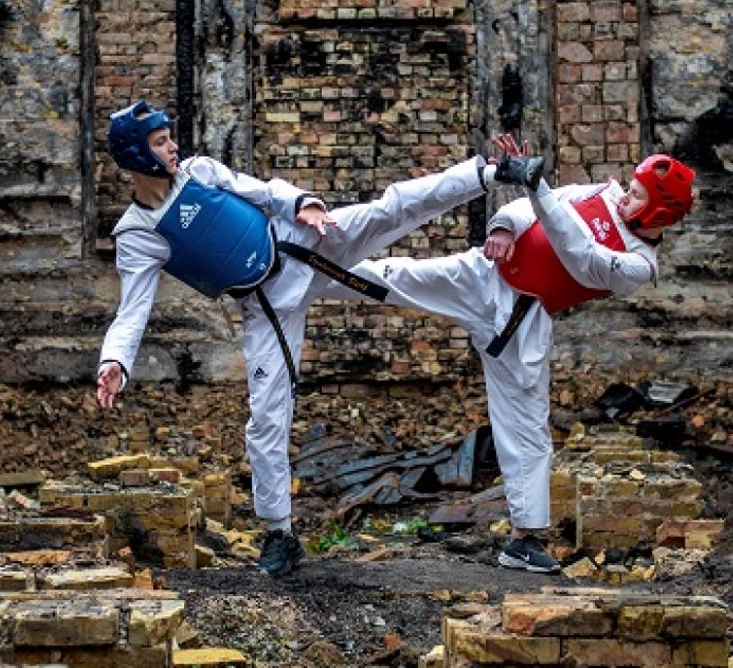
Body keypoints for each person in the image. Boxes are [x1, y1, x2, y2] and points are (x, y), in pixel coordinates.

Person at [94, 101, 541, 576]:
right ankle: (279, 535)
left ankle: (491, 173)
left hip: (303, 241)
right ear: (136, 154)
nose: (172, 146)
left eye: (169, 137)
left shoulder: (199, 172)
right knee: (266, 418)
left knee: (390, 209)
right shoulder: (137, 233)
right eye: (160, 142)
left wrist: (303, 204)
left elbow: (265, 191)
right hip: (268, 304)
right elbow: (133, 308)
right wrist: (115, 361)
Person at [345, 135, 696, 573]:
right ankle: (304, 266)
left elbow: (578, 253)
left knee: (527, 426)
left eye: (638, 195)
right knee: (393, 276)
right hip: (485, 274)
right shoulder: (601, 193)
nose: (626, 195)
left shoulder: (639, 265)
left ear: (660, 212)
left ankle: (523, 538)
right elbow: (528, 210)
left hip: (522, 325)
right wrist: (503, 228)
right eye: (631, 186)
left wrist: (536, 185)